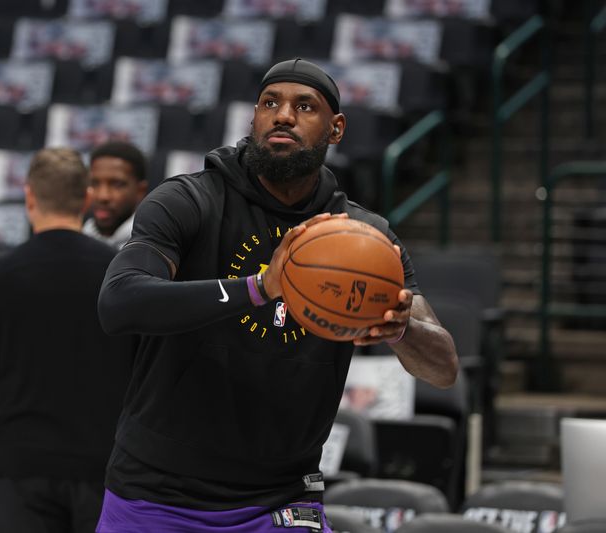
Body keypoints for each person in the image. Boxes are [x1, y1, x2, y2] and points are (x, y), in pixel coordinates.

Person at [96, 58, 459, 532]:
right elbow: (118, 303)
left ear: (337, 128)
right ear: (254, 119)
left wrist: (402, 328)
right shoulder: (189, 201)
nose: (283, 115)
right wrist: (259, 287)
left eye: (304, 106)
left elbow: (444, 368)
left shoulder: (366, 238)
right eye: (270, 103)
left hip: (282, 499)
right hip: (158, 495)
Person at [0, 148, 136, 532]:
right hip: (104, 465)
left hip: (22, 466)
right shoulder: (121, 274)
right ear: (86, 197)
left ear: (29, 197)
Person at [81, 141, 148, 249]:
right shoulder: (78, 240)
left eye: (116, 184)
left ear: (140, 190)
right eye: (94, 183)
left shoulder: (151, 250)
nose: (103, 196)